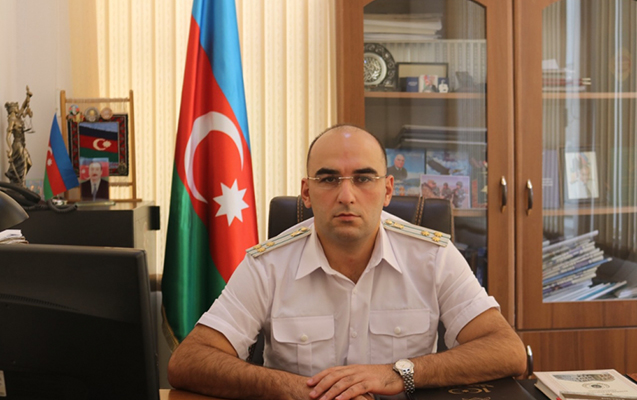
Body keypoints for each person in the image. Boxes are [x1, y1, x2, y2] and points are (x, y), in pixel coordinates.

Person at [167, 124, 527, 400]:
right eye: (328, 179)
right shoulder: (268, 265)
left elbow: (507, 351)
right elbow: (189, 361)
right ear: (307, 192)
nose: (346, 195)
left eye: (363, 178)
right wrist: (303, 391)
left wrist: (397, 373)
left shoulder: (432, 256)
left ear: (387, 190)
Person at [5, 86, 33, 186]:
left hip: (22, 144)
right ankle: (21, 184)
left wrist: (28, 96)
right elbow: (8, 135)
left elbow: (24, 106)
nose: (18, 108)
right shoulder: (12, 120)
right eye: (16, 107)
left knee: (28, 163)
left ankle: (20, 182)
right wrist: (10, 149)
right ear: (13, 109)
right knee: (24, 164)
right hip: (17, 145)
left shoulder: (17, 117)